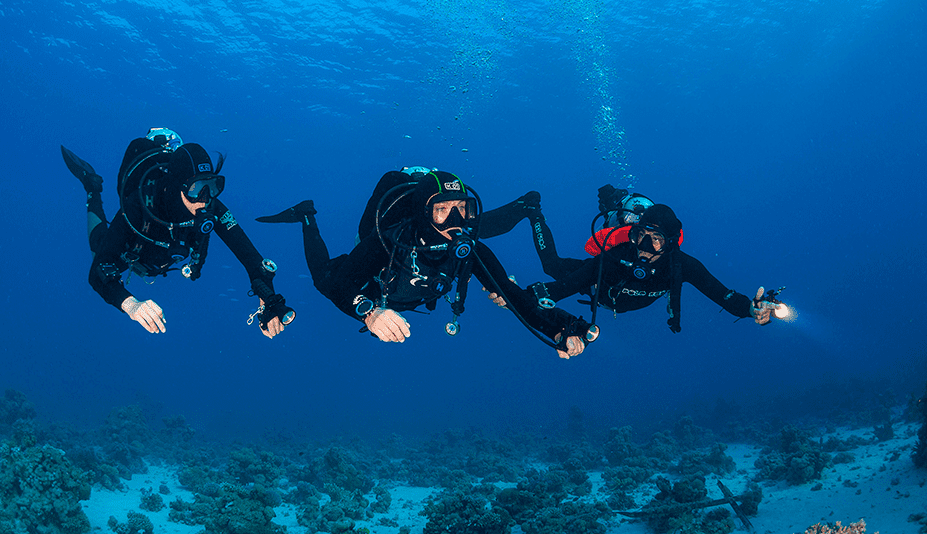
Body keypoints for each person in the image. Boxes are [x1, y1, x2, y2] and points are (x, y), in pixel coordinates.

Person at [255, 168, 596, 357]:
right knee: (323, 280)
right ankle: (307, 217)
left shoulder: (468, 248)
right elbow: (340, 287)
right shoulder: (388, 241)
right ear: (423, 213)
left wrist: (557, 329)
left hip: (408, 293)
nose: (455, 221)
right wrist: (369, 312)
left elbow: (512, 294)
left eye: (461, 209)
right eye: (441, 211)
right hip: (377, 281)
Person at [481, 185, 782, 357]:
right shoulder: (613, 256)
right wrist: (519, 296)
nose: (645, 247)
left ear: (671, 243)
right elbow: (563, 289)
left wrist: (751, 309)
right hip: (598, 287)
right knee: (552, 266)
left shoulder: (681, 264)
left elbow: (723, 295)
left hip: (612, 297)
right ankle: (533, 213)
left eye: (657, 239)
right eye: (641, 236)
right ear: (632, 233)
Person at [61, 128, 293, 338]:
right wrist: (131, 305)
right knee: (97, 249)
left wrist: (268, 300)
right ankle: (92, 188)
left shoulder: (211, 207)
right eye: (195, 189)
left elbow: (252, 258)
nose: (204, 199)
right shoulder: (140, 204)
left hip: (161, 257)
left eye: (212, 186)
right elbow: (97, 271)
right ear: (176, 185)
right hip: (134, 252)